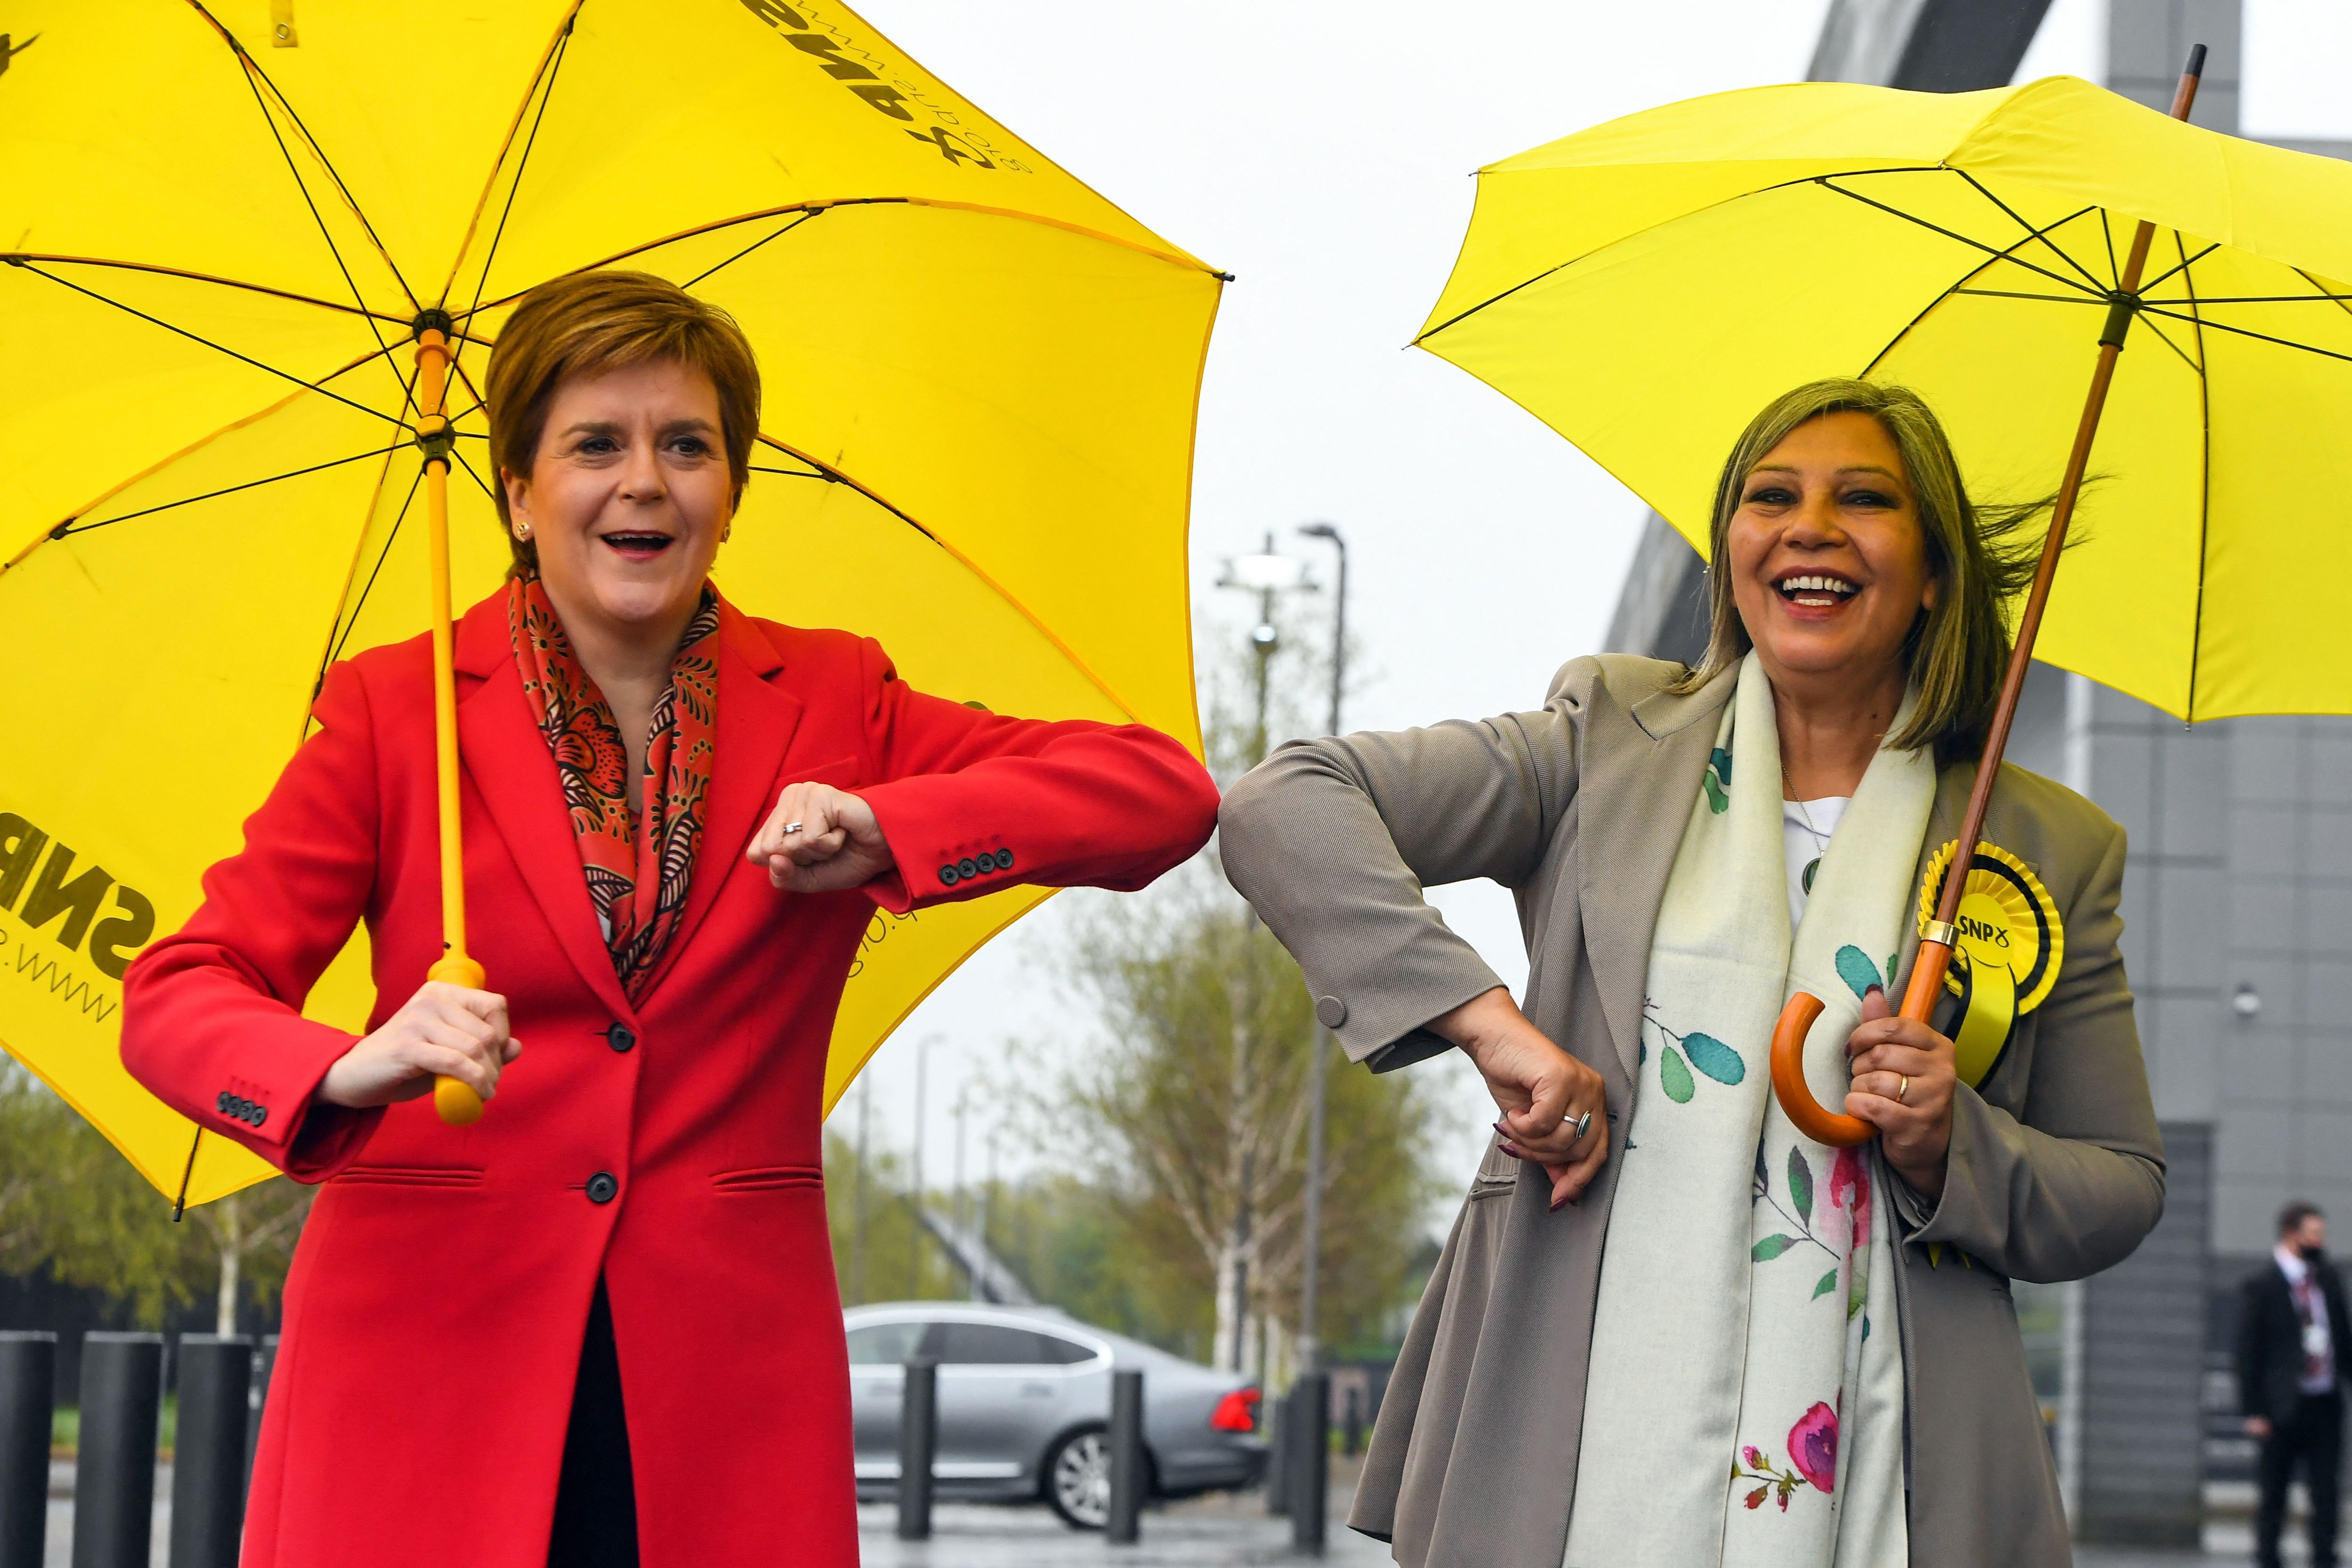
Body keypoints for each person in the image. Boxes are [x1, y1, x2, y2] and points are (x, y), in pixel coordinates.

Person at [118, 271, 1219, 1568]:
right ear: (520, 495)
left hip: (719, 1390)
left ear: (731, 491)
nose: (644, 480)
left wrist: (889, 828)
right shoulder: (389, 711)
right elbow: (181, 988)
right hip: (420, 1372)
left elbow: (1159, 795)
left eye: (685, 444)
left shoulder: (833, 697)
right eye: (595, 443)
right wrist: (346, 1065)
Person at [1219, 379, 2166, 1567]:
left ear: (1931, 571)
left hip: (1892, 1481)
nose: (1808, 525)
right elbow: (1284, 804)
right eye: (1770, 496)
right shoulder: (1603, 742)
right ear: (1729, 554)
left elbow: (2118, 1182)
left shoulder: (2043, 843)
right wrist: (1491, 1026)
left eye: (1862, 498)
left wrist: (1948, 1139)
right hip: (1567, 1439)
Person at [2240, 1201, 2352, 1568]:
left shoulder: (2327, 1278)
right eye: (2313, 1233)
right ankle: (2268, 1558)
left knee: (2325, 1491)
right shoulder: (2263, 1285)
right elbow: (2248, 1353)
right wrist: (2254, 1409)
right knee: (2274, 1493)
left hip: (2323, 1401)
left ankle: (2324, 1558)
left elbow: (2342, 1337)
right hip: (2280, 1407)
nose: (2320, 1241)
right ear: (2291, 1233)